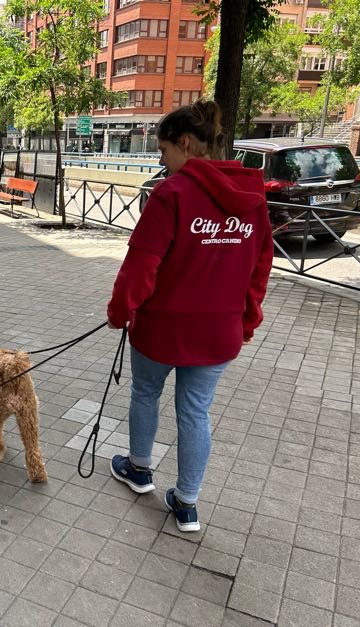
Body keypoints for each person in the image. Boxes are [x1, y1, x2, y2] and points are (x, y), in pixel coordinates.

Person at [106, 100, 273, 532]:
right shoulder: (253, 200)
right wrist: (247, 322)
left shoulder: (171, 194)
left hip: (162, 329)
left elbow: (141, 265)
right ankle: (187, 503)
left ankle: (139, 470)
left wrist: (121, 311)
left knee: (145, 394)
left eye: (163, 152)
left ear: (184, 143)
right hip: (219, 333)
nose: (162, 162)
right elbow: (259, 270)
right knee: (196, 412)